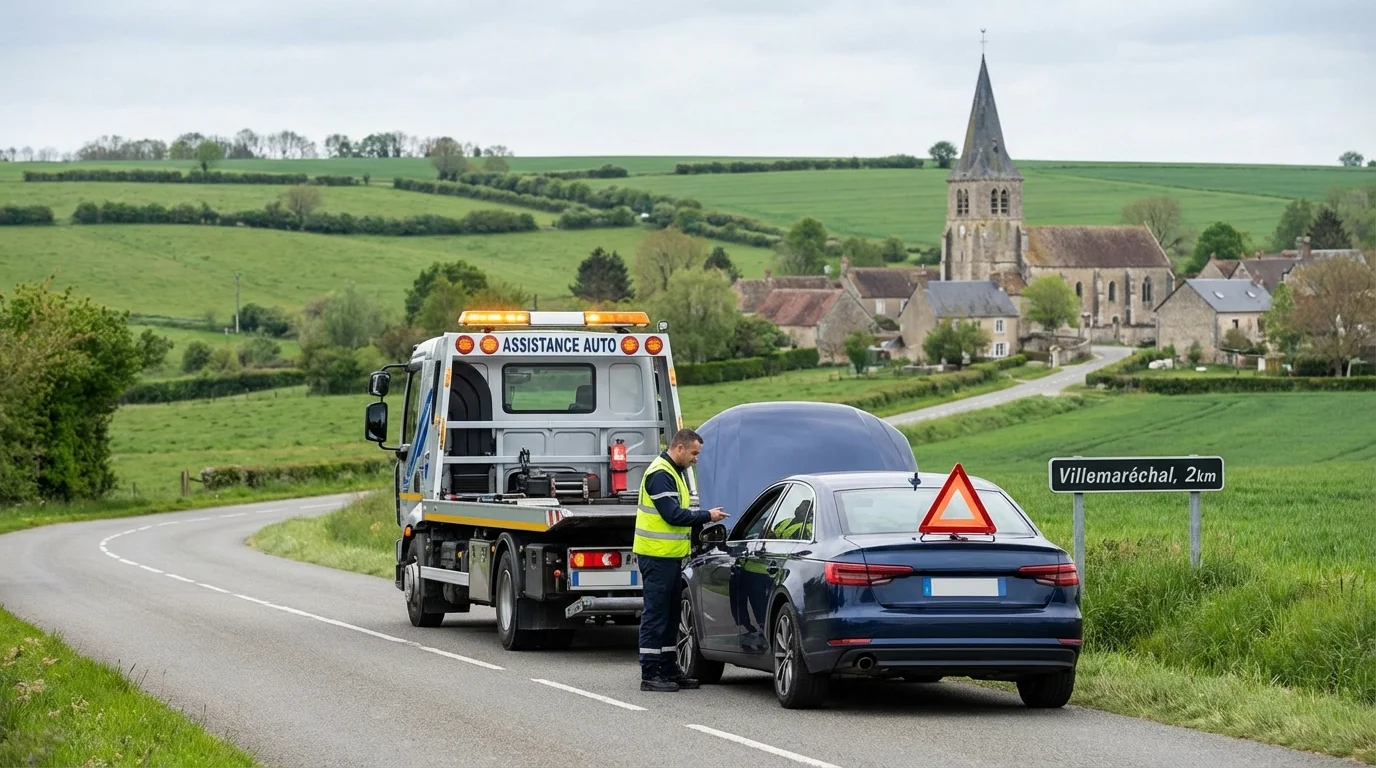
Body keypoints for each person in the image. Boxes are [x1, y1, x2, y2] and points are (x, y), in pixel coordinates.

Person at [633, 428, 729, 692]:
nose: (696, 459)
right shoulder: (660, 474)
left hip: (670, 557)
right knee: (656, 615)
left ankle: (668, 667)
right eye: (694, 453)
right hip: (656, 556)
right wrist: (706, 516)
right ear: (680, 448)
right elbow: (673, 515)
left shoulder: (674, 473)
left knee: (672, 615)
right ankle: (650, 673)